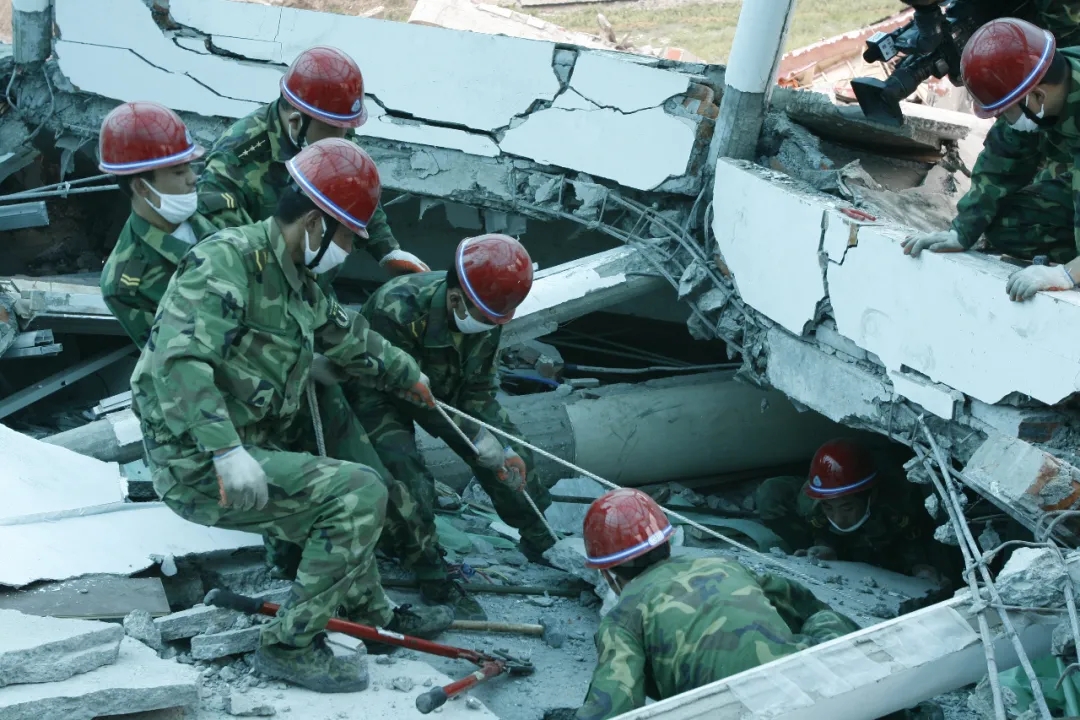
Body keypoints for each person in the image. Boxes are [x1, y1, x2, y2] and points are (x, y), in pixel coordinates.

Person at [130, 138, 452, 693]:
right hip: (198, 462)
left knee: (351, 492)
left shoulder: (298, 280)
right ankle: (288, 644)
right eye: (348, 236)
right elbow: (178, 363)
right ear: (312, 223)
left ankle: (369, 617)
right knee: (356, 493)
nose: (350, 248)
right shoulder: (226, 262)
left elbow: (348, 336)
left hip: (250, 444)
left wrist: (408, 376)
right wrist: (225, 451)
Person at [350, 234, 554, 617]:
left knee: (512, 457)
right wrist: (475, 434)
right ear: (456, 297)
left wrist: (497, 443)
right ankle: (431, 575)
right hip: (379, 392)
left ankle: (541, 539)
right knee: (406, 477)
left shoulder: (486, 311)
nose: (491, 328)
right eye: (487, 320)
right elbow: (402, 390)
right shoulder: (397, 307)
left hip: (444, 392)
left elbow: (477, 389)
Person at [563, 488, 858, 720]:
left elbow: (612, 706)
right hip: (817, 694)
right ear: (668, 542)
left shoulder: (622, 618)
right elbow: (802, 602)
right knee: (823, 621)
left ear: (607, 573)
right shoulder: (725, 565)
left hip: (730, 711)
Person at [197, 45, 427, 277]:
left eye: (347, 129)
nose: (344, 138)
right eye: (336, 130)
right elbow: (227, 257)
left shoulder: (332, 129)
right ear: (296, 123)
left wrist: (387, 250)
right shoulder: (235, 162)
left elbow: (354, 189)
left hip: (314, 287)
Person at [901, 18, 1080, 302]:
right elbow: (1001, 160)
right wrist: (962, 231)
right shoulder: (1041, 90)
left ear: (1037, 96)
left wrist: (1067, 275)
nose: (1001, 119)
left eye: (1004, 111)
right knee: (1005, 226)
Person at [99, 101, 250, 348]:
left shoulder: (220, 209)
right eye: (179, 173)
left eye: (190, 167)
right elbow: (172, 361)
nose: (193, 179)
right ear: (141, 187)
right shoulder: (125, 284)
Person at [755, 439, 946, 584]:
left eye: (847, 507)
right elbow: (820, 527)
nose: (838, 518)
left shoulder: (902, 503)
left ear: (871, 495)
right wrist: (824, 547)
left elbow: (917, 537)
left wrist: (918, 565)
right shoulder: (811, 504)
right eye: (828, 507)